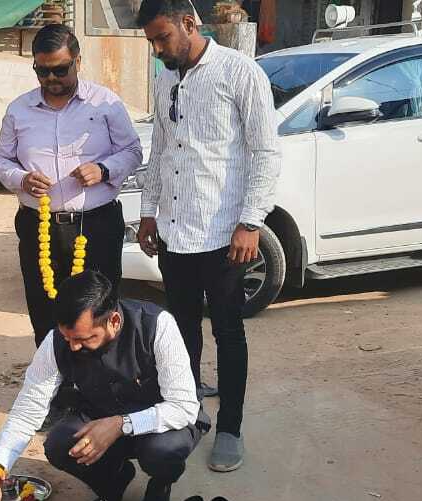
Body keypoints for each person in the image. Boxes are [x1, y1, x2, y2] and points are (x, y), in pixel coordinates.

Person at [134, 0, 281, 472]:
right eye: (152, 42)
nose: (157, 50)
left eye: (162, 38)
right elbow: (160, 150)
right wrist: (149, 212)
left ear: (188, 23)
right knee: (180, 332)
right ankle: (190, 412)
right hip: (174, 232)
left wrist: (250, 222)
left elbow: (265, 152)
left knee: (228, 331)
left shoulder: (240, 73)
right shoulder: (165, 80)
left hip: (223, 235)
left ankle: (230, 428)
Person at [0, 271, 206, 501]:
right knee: (59, 444)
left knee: (163, 451)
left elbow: (183, 407)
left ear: (113, 321)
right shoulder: (57, 342)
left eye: (83, 339)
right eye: (68, 338)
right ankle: (113, 481)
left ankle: (159, 488)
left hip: (159, 424)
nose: (74, 347)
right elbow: (27, 411)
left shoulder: (157, 325)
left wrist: (121, 424)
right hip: (100, 414)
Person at [0, 23, 143, 348]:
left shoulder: (104, 103)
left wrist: (103, 170)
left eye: (60, 70)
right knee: (45, 314)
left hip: (96, 227)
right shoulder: (19, 109)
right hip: (39, 228)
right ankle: (54, 378)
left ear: (78, 61)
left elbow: (132, 151)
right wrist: (21, 179)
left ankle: (101, 378)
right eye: (42, 71)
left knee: (99, 317)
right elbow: (0, 161)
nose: (51, 79)